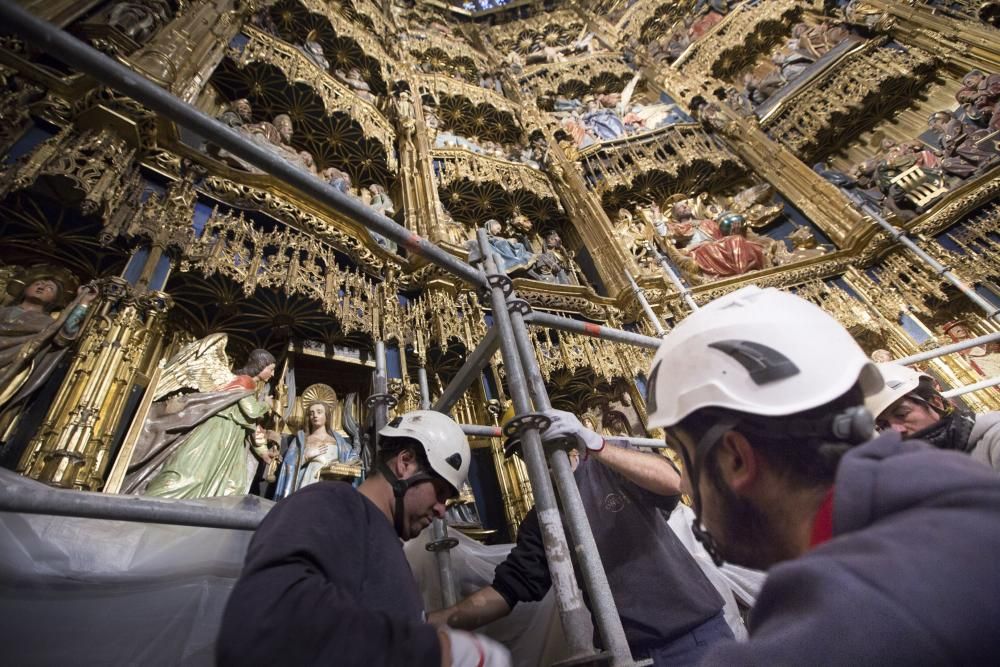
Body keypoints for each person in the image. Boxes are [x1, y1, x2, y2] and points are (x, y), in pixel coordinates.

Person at [643, 285, 1000, 664]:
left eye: (683, 459)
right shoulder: (962, 491)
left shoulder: (815, 646)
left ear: (735, 458)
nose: (684, 486)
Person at [429, 409, 733, 666]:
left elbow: (672, 481)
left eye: (538, 443)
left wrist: (598, 445)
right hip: (629, 652)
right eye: (523, 451)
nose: (533, 457)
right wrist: (437, 621)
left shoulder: (610, 467)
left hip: (696, 637)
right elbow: (508, 589)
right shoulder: (543, 519)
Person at [217, 410, 510, 667]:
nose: (442, 510)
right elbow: (266, 622)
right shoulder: (330, 502)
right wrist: (434, 652)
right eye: (441, 492)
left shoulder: (384, 541)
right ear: (405, 463)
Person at [125, 348, 277, 499]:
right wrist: (268, 404)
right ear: (260, 366)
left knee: (232, 484)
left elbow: (252, 424)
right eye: (271, 369)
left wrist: (263, 451)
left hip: (231, 436)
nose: (272, 374)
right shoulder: (244, 382)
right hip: (216, 432)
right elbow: (252, 411)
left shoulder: (251, 387)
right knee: (193, 475)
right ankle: (153, 503)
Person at [867, 362, 1000, 471]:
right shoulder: (915, 470)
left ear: (936, 403)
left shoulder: (995, 437)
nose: (896, 430)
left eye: (901, 414)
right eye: (884, 425)